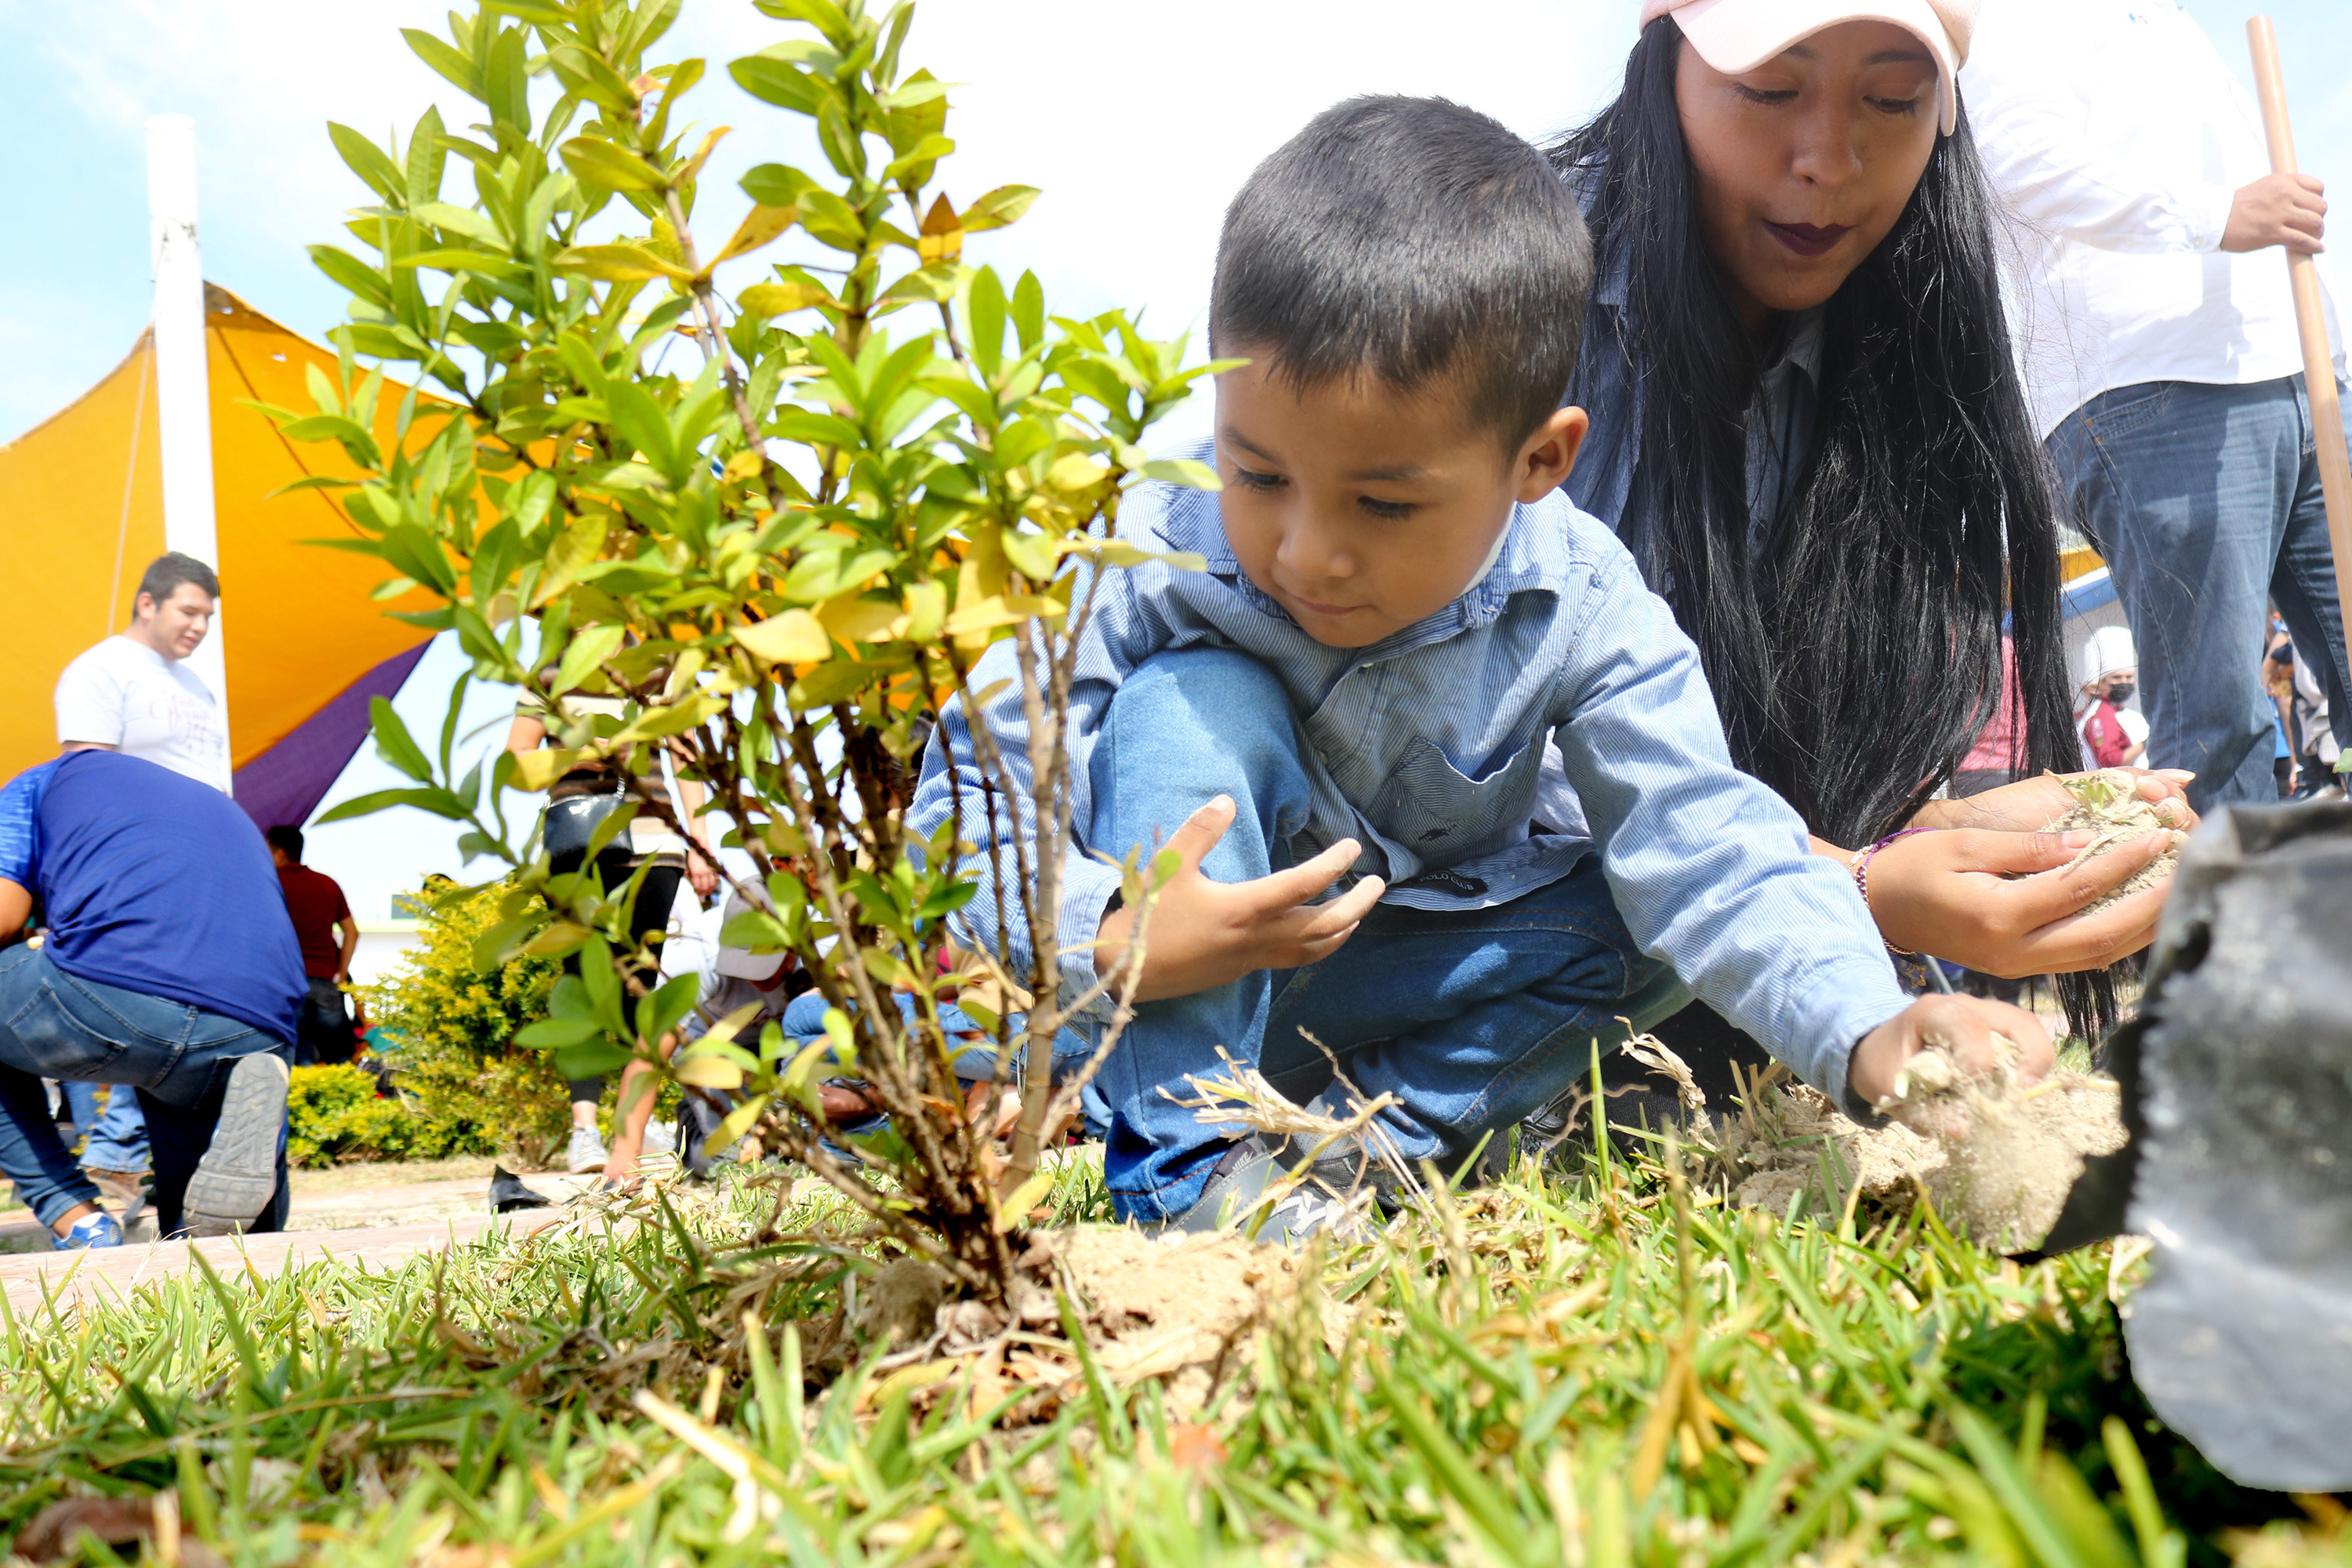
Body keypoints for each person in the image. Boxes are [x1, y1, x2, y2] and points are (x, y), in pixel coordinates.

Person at [911, 96, 2053, 1236]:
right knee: (1194, 697)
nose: (1307, 551)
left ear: (1538, 461)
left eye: (1382, 503)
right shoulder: (1149, 545)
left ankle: (1358, 1159)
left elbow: (1709, 842)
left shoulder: (1583, 601)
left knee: (1641, 908)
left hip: (1394, 982)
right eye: (1257, 474)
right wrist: (1109, 935)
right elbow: (978, 784)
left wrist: (1868, 1027)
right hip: (1157, 985)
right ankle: (1194, 1173)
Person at [1961, 0, 2350, 813]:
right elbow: (2024, 162)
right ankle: (2241, 901)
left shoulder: (2169, 21)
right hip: (2158, 390)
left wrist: (2334, 360)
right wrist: (2215, 214)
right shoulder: (2019, 15)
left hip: (2298, 371)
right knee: (2222, 729)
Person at [0, 752, 303, 1246]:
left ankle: (76, 1219)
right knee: (201, 1243)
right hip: (260, 1021)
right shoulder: (214, 807)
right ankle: (230, 1235)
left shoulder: (29, 788)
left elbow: (5, 915)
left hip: (119, 988)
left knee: (132, 1016)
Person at [49, 551, 234, 1195]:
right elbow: (89, 778)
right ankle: (118, 1152)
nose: (199, 627)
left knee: (205, 1006)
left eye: (208, 616)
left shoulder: (197, 686)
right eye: (189, 611)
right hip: (147, 868)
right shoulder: (102, 669)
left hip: (211, 866)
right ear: (148, 602)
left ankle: (139, 1158)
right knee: (162, 1003)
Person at [506, 688, 716, 1173]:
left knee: (643, 984)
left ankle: (635, 1123)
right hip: (576, 842)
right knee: (583, 984)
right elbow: (516, 759)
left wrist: (700, 840)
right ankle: (584, 1132)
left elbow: (685, 754)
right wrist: (582, 753)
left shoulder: (661, 665)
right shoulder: (550, 673)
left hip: (654, 840)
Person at [265, 826, 361, 1066]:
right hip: (326, 981)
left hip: (288, 981)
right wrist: (341, 972)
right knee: (337, 1057)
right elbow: (351, 931)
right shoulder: (328, 884)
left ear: (279, 854)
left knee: (299, 1057)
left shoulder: (271, 886)